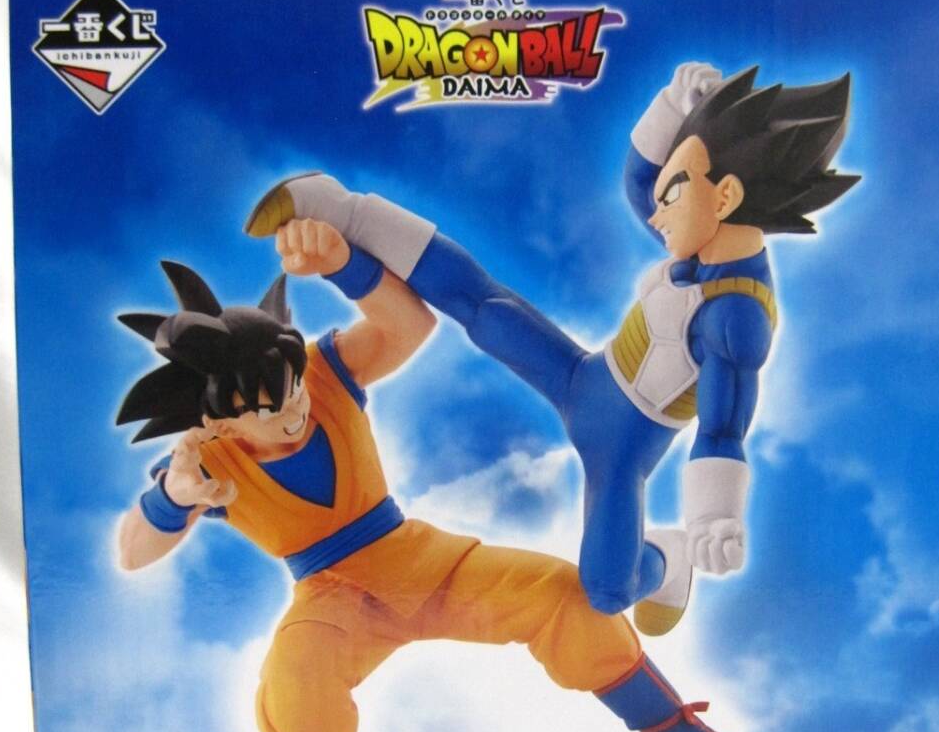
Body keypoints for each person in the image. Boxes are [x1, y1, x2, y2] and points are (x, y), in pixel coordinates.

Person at [115, 220, 754, 732]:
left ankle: (664, 725)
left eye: (293, 391)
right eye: (267, 410)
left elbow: (408, 326)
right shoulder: (207, 462)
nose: (294, 412)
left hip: (420, 558)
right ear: (217, 421)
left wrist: (343, 263)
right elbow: (131, 551)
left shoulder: (323, 373)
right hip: (333, 597)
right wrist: (172, 499)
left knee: (563, 597)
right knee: (296, 675)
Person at [244, 63, 859, 635]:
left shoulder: (737, 315)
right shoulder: (703, 239)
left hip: (622, 450)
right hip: (583, 377)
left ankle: (667, 559)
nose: (656, 210)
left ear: (724, 198)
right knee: (482, 306)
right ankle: (345, 211)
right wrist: (672, 105)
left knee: (608, 591)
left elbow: (723, 429)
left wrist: (712, 517)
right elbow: (640, 182)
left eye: (675, 192)